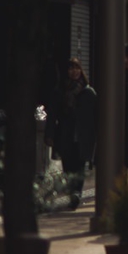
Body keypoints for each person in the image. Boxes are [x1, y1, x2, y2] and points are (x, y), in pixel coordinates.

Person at [49, 58, 97, 209]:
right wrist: (49, 134)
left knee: (80, 165)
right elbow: (52, 114)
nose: (74, 71)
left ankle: (77, 193)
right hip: (65, 134)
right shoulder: (60, 91)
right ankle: (72, 193)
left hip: (82, 135)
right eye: (71, 68)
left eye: (76, 68)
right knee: (68, 166)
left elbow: (95, 117)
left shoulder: (88, 91)